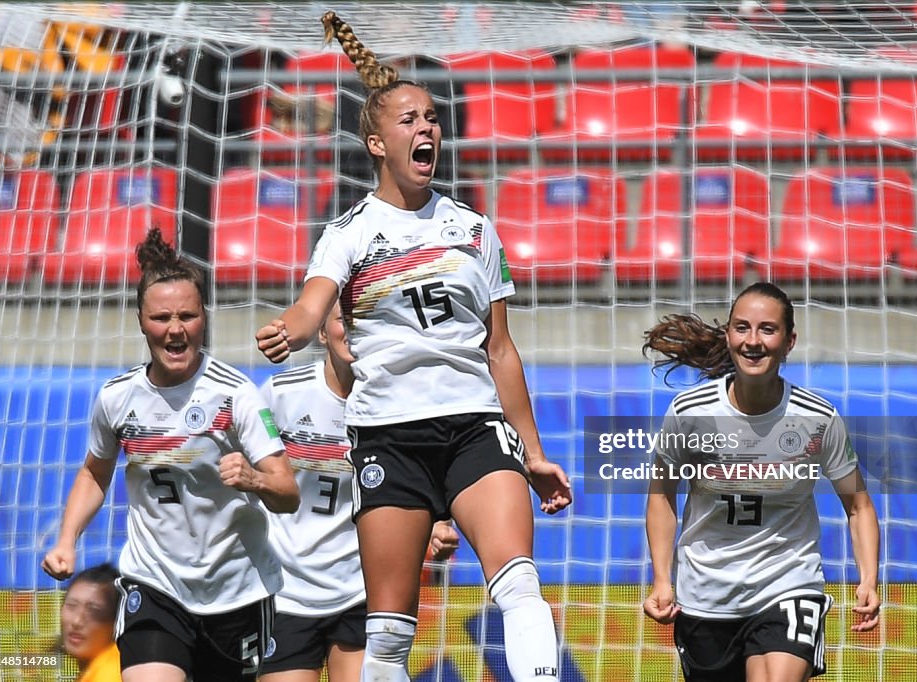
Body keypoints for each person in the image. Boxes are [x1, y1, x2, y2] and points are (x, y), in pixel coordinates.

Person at [255, 12, 572, 682]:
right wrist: (293, 326)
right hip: (387, 437)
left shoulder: (476, 230)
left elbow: (501, 351)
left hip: (474, 430)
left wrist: (534, 451)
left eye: (431, 117)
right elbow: (313, 305)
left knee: (518, 584)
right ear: (376, 141)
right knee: (391, 635)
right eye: (408, 120)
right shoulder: (347, 233)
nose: (426, 128)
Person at [43, 227, 300, 682]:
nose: (176, 330)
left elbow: (287, 491)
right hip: (155, 585)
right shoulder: (117, 399)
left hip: (237, 590)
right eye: (162, 318)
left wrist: (254, 480)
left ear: (204, 317)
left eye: (187, 315)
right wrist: (67, 540)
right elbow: (94, 473)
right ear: (141, 321)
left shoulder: (237, 394)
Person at [642, 281, 880, 682]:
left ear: (789, 341)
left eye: (767, 329)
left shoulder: (816, 418)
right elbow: (661, 496)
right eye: (742, 328)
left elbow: (859, 506)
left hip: (787, 584)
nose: (753, 341)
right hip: (706, 596)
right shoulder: (689, 412)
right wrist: (662, 580)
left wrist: (869, 578)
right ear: (729, 335)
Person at [259, 302, 460, 682]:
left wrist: (435, 521)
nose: (353, 330)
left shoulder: (403, 406)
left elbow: (420, 482)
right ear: (321, 332)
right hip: (286, 592)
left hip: (362, 589)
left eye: (366, 320)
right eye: (342, 321)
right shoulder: (280, 394)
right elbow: (250, 475)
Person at [61, 563, 121, 681]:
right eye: (71, 606)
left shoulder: (110, 673)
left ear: (116, 620)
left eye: (93, 610)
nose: (77, 621)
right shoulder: (96, 669)